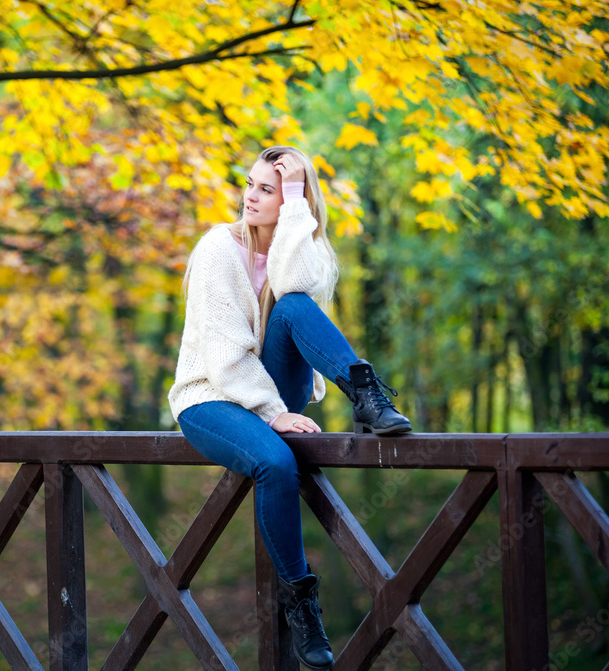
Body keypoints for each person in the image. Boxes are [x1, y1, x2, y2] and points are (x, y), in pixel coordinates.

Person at [167, 146, 412, 670]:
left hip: (272, 388)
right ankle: (302, 602)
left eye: (268, 190)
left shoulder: (305, 247)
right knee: (275, 464)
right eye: (251, 185)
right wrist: (272, 413)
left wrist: (297, 203)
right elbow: (224, 354)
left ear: (294, 201)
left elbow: (299, 293)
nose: (250, 198)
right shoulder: (218, 248)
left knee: (296, 302)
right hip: (211, 396)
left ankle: (366, 395)